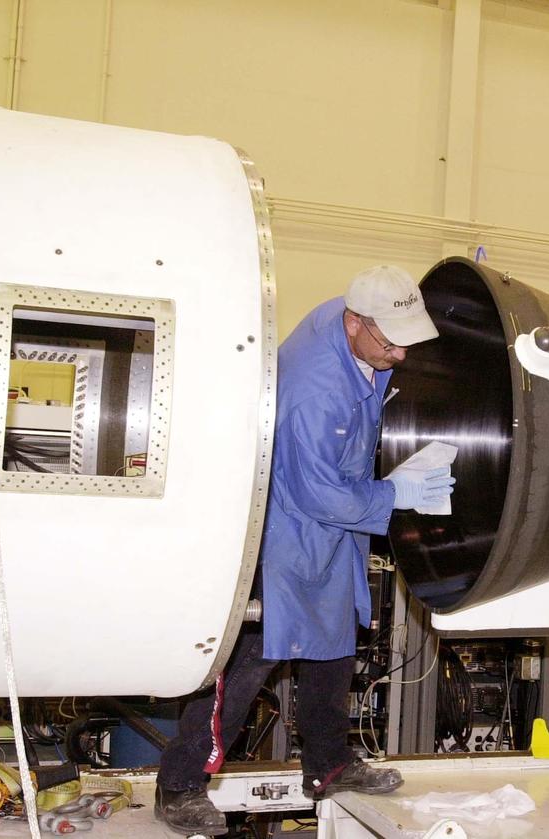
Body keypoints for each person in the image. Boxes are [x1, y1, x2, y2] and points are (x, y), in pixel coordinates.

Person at [154, 265, 454, 836]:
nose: (402, 355)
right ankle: (180, 785)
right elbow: (315, 492)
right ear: (354, 324)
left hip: (331, 531)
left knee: (333, 649)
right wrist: (395, 492)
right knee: (246, 664)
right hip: (283, 536)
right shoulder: (313, 391)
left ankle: (329, 765)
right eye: (391, 344)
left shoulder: (348, 328)